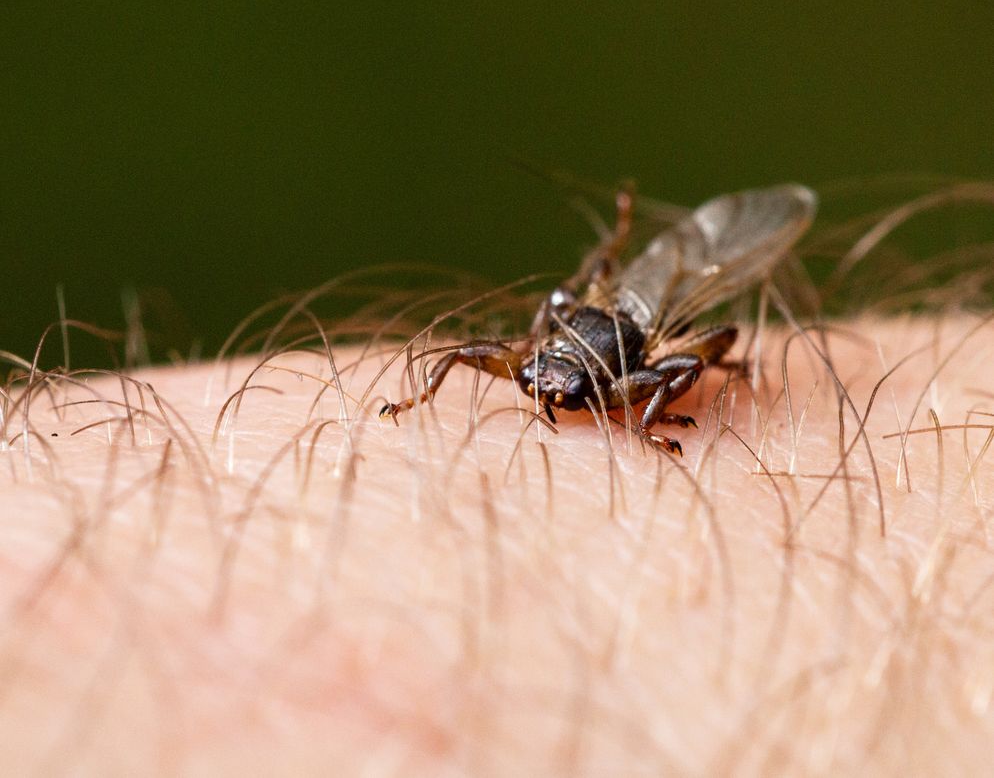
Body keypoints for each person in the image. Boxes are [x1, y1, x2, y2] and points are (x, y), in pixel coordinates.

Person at [2, 308, 992, 775]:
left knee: (713, 352)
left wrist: (648, 420)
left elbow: (673, 368)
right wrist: (415, 396)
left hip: (652, 338)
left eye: (565, 392)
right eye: (538, 383)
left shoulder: (626, 378)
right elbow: (465, 354)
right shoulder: (532, 361)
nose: (545, 403)